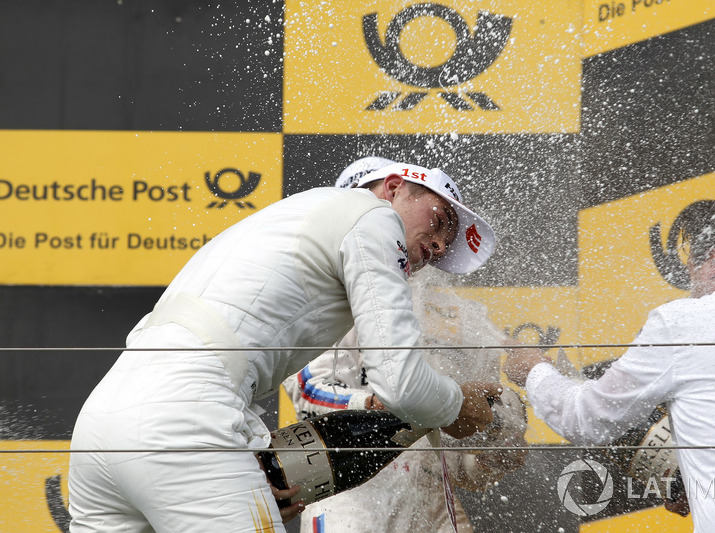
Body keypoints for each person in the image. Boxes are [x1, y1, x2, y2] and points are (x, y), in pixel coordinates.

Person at [68, 160, 502, 533]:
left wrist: (244, 463)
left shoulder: (287, 219)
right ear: (393, 188)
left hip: (101, 426)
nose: (441, 246)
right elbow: (403, 386)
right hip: (187, 423)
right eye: (440, 220)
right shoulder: (370, 216)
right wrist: (457, 404)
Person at [505, 192, 715, 530]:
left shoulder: (682, 322)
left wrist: (533, 371)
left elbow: (588, 417)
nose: (690, 280)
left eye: (692, 265)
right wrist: (702, 478)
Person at [282, 159, 528, 532]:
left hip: (432, 502)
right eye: (440, 223)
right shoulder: (327, 287)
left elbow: (454, 456)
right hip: (351, 493)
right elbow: (306, 389)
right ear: (386, 195)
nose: (441, 245)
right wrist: (372, 405)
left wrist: (495, 454)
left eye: (449, 237)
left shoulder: (452, 312)